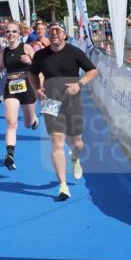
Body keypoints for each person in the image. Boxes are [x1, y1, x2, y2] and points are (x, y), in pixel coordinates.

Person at [27, 23, 98, 201]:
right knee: (56, 142)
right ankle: (63, 186)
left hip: (72, 102)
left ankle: (74, 157)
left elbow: (92, 71)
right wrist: (37, 90)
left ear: (64, 35)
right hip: (50, 102)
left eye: (58, 31)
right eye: (51, 32)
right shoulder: (40, 55)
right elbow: (32, 74)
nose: (54, 34)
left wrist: (79, 84)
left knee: (77, 143)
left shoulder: (74, 52)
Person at [0, 22, 39, 170]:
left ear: (19, 33)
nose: (11, 34)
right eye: (8, 31)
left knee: (27, 124)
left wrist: (31, 61)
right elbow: (1, 67)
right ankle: (10, 155)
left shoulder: (26, 48)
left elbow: (39, 65)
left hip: (26, 86)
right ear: (5, 34)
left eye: (14, 31)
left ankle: (33, 119)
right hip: (11, 87)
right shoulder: (4, 51)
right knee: (11, 123)